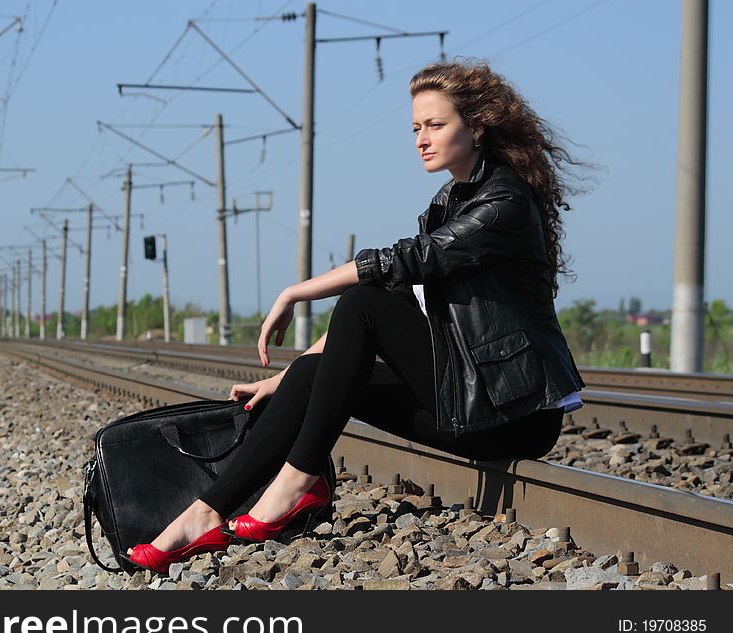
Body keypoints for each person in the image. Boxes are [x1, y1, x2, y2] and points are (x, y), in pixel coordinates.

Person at [125, 59, 586, 574]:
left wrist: (295, 292)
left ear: (477, 126)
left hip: (514, 416)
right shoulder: (451, 200)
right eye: (416, 127)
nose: (421, 139)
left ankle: (295, 484)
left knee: (366, 297)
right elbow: (389, 314)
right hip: (469, 396)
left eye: (436, 124)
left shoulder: (503, 202)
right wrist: (286, 377)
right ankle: (205, 512)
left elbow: (397, 270)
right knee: (310, 370)